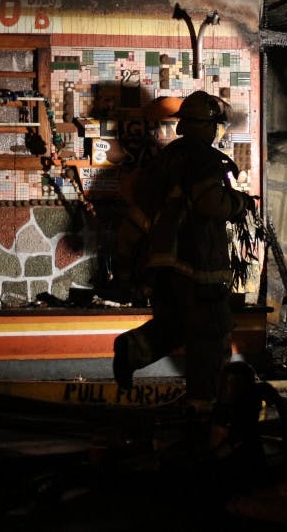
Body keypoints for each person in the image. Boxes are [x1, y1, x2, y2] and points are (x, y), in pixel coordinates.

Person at [112, 90, 256, 410]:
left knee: (176, 324)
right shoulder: (203, 158)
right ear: (209, 126)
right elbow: (210, 203)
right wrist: (240, 202)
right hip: (198, 265)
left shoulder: (165, 161)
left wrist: (124, 266)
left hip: (164, 269)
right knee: (211, 333)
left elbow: (139, 215)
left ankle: (133, 348)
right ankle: (203, 407)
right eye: (217, 125)